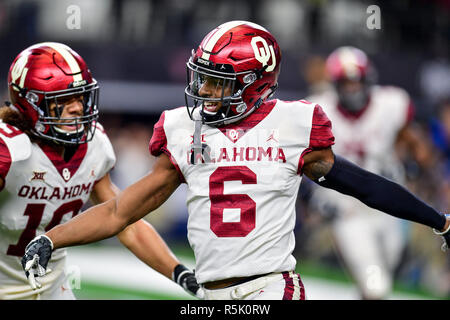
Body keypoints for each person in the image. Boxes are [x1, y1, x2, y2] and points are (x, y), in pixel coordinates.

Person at [22, 22, 449, 300]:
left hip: (269, 289)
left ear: (251, 84)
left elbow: (364, 185)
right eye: (202, 78)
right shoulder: (183, 131)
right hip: (210, 295)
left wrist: (437, 220)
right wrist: (51, 239)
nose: (202, 91)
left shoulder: (293, 125)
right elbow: (119, 211)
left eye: (215, 82)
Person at [0, 42, 201, 299]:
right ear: (31, 103)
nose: (77, 108)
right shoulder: (8, 150)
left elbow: (123, 220)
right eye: (63, 100)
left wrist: (178, 272)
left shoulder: (93, 144)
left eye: (80, 96)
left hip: (51, 288)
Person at [303, 46, 438, 299]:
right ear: (334, 84)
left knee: (381, 275)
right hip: (348, 210)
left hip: (388, 204)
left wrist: (419, 165)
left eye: (357, 81)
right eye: (346, 82)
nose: (352, 88)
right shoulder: (319, 110)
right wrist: (312, 197)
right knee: (376, 284)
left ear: (369, 80)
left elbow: (413, 142)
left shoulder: (390, 103)